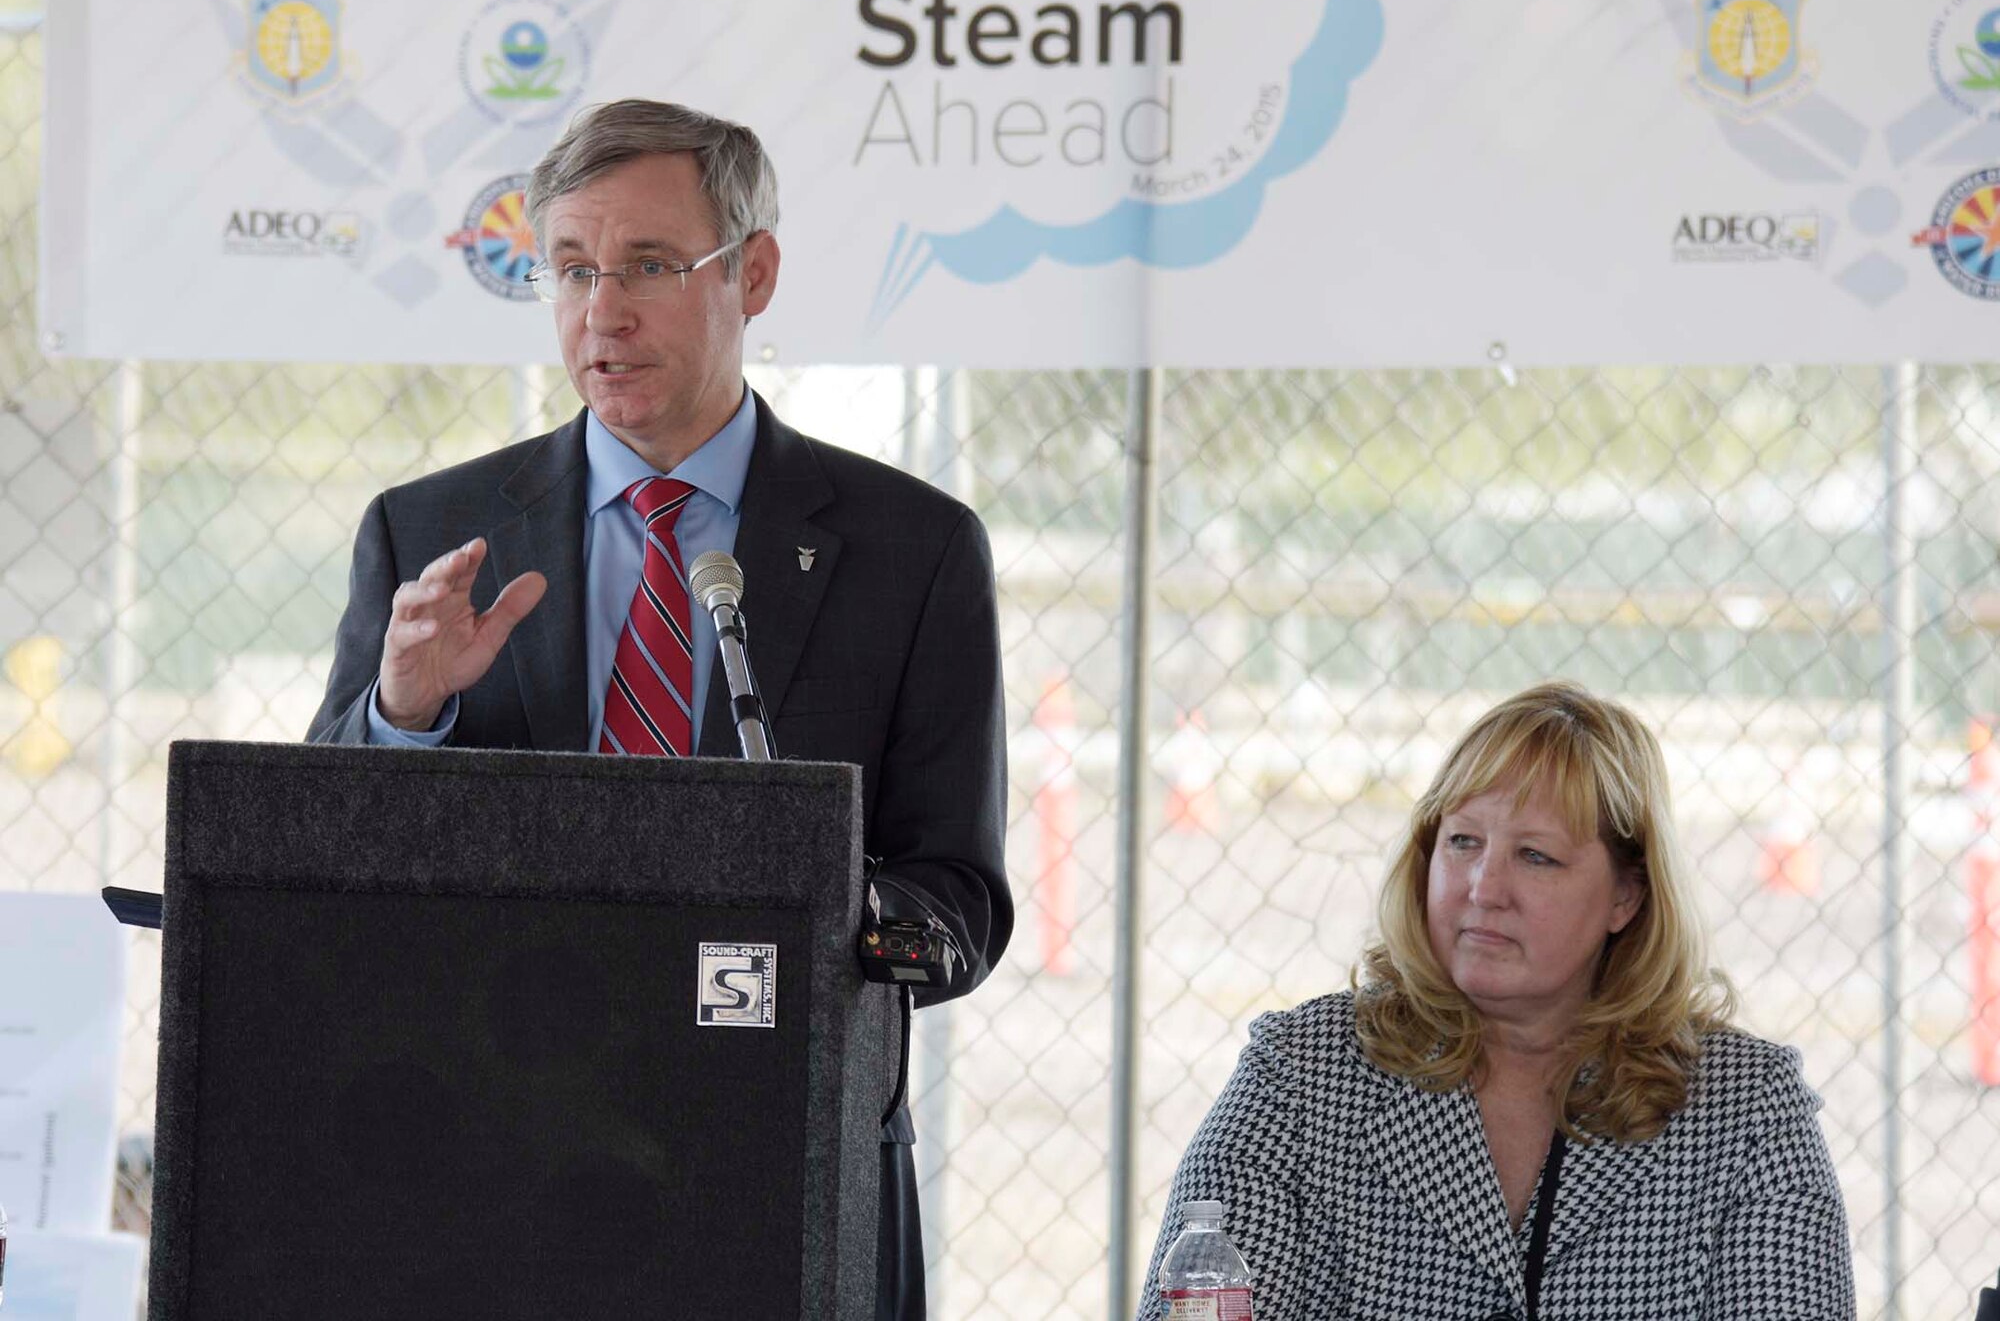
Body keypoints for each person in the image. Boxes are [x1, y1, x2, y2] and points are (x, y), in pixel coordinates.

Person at [308, 99, 1011, 1321]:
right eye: (569, 269)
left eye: (645, 266)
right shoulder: (426, 532)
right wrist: (401, 710)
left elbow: (961, 891)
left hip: (780, 1149)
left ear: (755, 271)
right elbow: (313, 861)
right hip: (492, 1154)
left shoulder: (915, 551)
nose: (601, 312)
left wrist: (823, 902)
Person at [1139, 681, 1853, 1321]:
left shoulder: (1744, 1111)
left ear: (1627, 895)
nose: (1483, 888)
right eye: (1462, 842)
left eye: (1535, 856)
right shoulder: (1303, 1075)